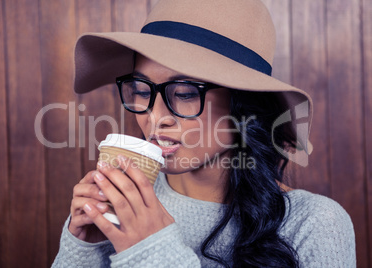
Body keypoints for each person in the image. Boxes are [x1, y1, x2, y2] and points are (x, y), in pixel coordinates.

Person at [52, 0, 356, 267]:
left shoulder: (314, 224)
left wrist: (153, 249)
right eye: (142, 90)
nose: (154, 117)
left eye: (184, 93)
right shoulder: (119, 201)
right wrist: (83, 251)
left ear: (244, 104)